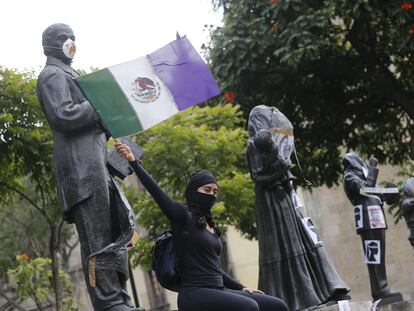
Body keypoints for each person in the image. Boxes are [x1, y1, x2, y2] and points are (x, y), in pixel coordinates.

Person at [115, 142, 288, 311]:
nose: (212, 195)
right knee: (249, 307)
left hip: (217, 290)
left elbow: (214, 269)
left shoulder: (211, 227)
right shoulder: (182, 218)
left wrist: (241, 287)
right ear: (193, 192)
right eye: (207, 190)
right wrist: (133, 162)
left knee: (276, 305)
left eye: (214, 191)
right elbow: (156, 191)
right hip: (194, 293)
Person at [37, 23, 139, 311]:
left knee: (115, 230)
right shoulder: (51, 74)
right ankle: (107, 302)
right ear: (50, 46)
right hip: (80, 170)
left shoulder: (73, 75)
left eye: (72, 37)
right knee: (96, 236)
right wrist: (101, 105)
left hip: (97, 165)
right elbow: (63, 115)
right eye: (63, 39)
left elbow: (92, 125)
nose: (71, 43)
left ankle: (119, 297)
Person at [247, 105, 350, 311]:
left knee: (301, 239)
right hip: (270, 202)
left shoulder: (271, 143)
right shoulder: (253, 145)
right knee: (283, 243)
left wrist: (283, 173)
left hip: (285, 197)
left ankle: (321, 288)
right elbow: (258, 177)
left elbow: (281, 169)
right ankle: (295, 298)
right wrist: (279, 172)